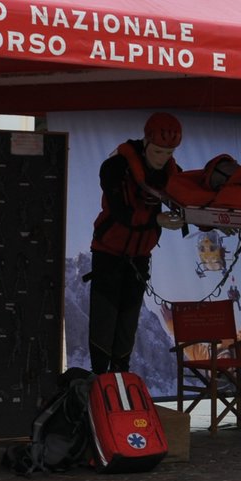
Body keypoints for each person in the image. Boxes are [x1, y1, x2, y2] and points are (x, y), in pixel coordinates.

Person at [88, 112, 186, 373]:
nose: (161, 159)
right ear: (145, 143)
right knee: (103, 324)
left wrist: (212, 221)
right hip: (107, 256)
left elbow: (190, 201)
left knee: (127, 327)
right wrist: (157, 219)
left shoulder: (171, 173)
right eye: (157, 152)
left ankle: (120, 381)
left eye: (168, 153)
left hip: (139, 259)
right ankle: (97, 384)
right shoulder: (115, 168)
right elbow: (121, 213)